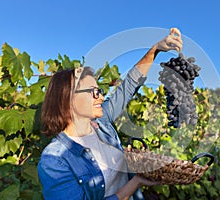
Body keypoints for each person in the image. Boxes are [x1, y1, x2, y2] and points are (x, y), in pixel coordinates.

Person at [38, 28, 183, 200]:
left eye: (98, 90)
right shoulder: (54, 161)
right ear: (67, 98)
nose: (100, 96)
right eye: (93, 91)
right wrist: (135, 182)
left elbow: (128, 86)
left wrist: (154, 50)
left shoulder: (101, 122)